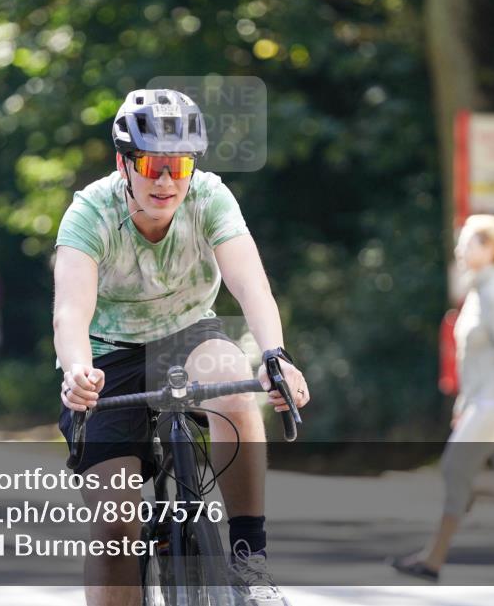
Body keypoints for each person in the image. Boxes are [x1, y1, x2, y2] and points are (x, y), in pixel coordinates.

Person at [53, 88, 309, 606]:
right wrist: (78, 370)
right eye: (151, 164)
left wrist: (275, 355)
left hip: (190, 332)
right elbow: (70, 312)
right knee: (114, 528)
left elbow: (251, 284)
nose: (166, 180)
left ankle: (247, 559)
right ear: (123, 162)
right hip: (107, 355)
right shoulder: (89, 213)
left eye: (180, 165)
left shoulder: (210, 197)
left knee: (232, 387)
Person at [392, 214, 494, 585]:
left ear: (491, 248)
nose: (459, 249)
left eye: (467, 242)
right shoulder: (479, 291)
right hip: (486, 402)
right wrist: (462, 404)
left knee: (455, 467)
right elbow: (475, 361)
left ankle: (433, 558)